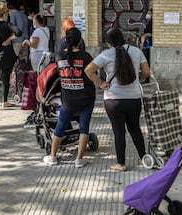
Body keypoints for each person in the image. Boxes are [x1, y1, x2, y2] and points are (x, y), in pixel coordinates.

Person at [85, 27, 150, 171]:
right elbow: (146, 72)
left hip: (113, 100)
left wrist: (101, 83)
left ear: (108, 42)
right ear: (123, 37)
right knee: (135, 129)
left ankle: (120, 163)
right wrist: (138, 79)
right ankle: (145, 158)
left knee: (118, 131)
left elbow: (88, 70)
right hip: (134, 99)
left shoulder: (105, 55)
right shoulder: (136, 51)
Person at [42, 27, 96, 167]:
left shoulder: (59, 56)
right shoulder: (86, 57)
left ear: (65, 40)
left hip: (68, 99)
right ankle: (79, 159)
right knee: (84, 127)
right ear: (80, 40)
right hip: (86, 97)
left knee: (60, 126)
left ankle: (53, 156)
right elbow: (93, 73)